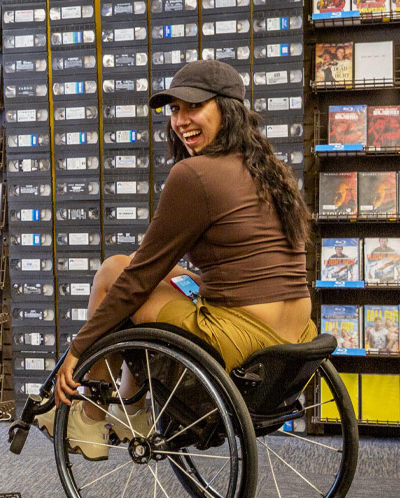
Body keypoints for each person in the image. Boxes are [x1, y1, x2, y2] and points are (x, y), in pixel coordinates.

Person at [38, 59, 316, 460]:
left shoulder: (195, 174)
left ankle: (90, 413)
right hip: (294, 337)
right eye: (174, 110)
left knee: (117, 270)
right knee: (166, 272)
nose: (181, 120)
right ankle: (131, 405)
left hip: (242, 338)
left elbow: (136, 279)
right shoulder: (269, 169)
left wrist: (80, 348)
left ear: (228, 108)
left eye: (193, 107)